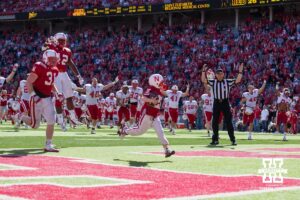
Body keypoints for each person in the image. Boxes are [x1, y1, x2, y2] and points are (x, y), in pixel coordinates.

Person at [118, 74, 175, 158]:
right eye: (161, 82)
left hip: (155, 116)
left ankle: (166, 150)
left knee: (161, 132)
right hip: (146, 115)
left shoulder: (159, 90)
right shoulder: (151, 89)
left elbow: (165, 92)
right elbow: (143, 98)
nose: (162, 83)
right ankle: (125, 130)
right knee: (139, 131)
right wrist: (151, 100)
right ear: (156, 82)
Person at [15, 49, 60, 152]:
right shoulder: (39, 66)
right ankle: (20, 116)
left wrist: (57, 93)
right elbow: (29, 82)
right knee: (35, 125)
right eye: (51, 59)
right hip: (37, 98)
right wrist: (33, 95)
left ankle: (48, 144)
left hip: (47, 98)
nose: (53, 61)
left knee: (52, 120)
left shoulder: (55, 70)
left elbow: (51, 83)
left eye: (55, 59)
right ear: (46, 58)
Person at [43, 33, 84, 127]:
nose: (62, 42)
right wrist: (47, 43)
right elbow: (43, 48)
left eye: (63, 40)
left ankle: (73, 118)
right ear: (56, 40)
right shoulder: (52, 47)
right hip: (55, 73)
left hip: (64, 74)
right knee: (59, 97)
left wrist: (79, 76)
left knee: (69, 97)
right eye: (60, 40)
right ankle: (60, 120)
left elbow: (70, 63)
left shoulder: (68, 51)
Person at [201, 63, 243, 146]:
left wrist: (240, 72)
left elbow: (238, 80)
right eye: (218, 74)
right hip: (216, 102)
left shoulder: (227, 81)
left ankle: (233, 139)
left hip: (225, 102)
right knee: (214, 122)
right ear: (215, 75)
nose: (219, 75)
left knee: (228, 121)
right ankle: (215, 139)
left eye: (221, 74)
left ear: (223, 74)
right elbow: (204, 80)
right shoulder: (213, 82)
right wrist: (203, 71)